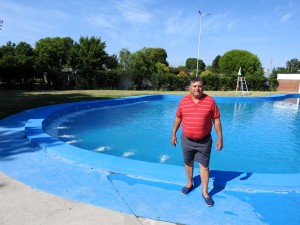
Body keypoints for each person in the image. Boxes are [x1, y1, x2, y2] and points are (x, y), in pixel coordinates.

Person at [171, 77, 223, 207]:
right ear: (190, 88)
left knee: (204, 166)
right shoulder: (183, 101)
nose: (197, 88)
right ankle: (189, 183)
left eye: (199, 86)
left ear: (203, 88)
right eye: (194, 86)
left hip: (204, 141)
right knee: (188, 162)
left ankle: (205, 192)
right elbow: (178, 117)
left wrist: (220, 138)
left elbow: (216, 119)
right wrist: (173, 134)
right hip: (187, 140)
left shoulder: (210, 101)